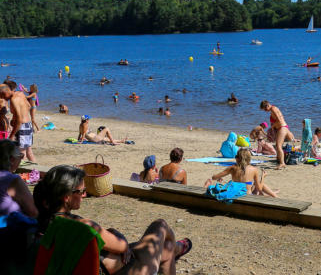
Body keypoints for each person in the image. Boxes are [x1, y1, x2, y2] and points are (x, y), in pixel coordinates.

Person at [33, 165, 191, 274]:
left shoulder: (44, 225)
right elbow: (121, 245)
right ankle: (178, 248)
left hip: (111, 265)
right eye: (81, 191)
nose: (85, 195)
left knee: (167, 247)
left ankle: (175, 248)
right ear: (66, 197)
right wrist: (117, 238)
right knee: (160, 225)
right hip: (130, 270)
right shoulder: (84, 227)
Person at [205, 148, 278, 197]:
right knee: (259, 185)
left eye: (236, 156)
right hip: (247, 196)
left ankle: (273, 194)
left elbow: (214, 178)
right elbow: (259, 188)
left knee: (252, 185)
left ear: (238, 158)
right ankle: (274, 195)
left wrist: (218, 176)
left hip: (235, 194)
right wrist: (263, 177)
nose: (235, 157)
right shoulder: (254, 169)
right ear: (249, 159)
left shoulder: (232, 168)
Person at [0, 140, 37, 218]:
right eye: (21, 156)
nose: (21, 159)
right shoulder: (12, 180)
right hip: (9, 228)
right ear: (12, 159)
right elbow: (33, 212)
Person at [0, 83, 36, 162]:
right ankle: (35, 172)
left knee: (21, 153)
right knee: (29, 151)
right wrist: (15, 117)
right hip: (28, 125)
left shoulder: (13, 99)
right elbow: (29, 106)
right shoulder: (21, 93)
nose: (3, 99)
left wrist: (11, 136)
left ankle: (24, 173)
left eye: (2, 96)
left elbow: (19, 120)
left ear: (5, 92)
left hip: (22, 127)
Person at [260, 100, 293, 170]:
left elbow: (279, 120)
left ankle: (282, 163)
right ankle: (279, 160)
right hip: (283, 127)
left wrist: (272, 126)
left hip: (282, 128)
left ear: (267, 105)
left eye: (265, 109)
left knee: (278, 146)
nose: (265, 111)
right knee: (278, 146)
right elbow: (281, 118)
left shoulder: (273, 109)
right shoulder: (274, 109)